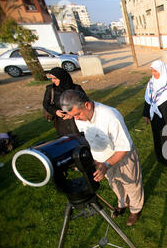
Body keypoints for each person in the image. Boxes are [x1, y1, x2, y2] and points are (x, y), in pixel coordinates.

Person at [60, 89, 144, 226]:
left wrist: (106, 164)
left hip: (121, 155)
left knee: (131, 183)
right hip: (100, 160)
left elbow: (123, 147)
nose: (76, 118)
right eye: (72, 115)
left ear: (87, 105)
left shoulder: (111, 116)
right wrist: (93, 160)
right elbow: (87, 139)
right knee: (114, 182)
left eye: (77, 114)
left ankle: (135, 209)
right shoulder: (79, 117)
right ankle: (122, 203)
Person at [43, 67, 85, 137]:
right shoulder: (51, 89)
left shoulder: (76, 88)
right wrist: (56, 111)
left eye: (55, 78)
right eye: (51, 78)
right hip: (61, 122)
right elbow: (46, 103)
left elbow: (84, 103)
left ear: (62, 78)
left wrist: (71, 115)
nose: (53, 81)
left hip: (77, 120)